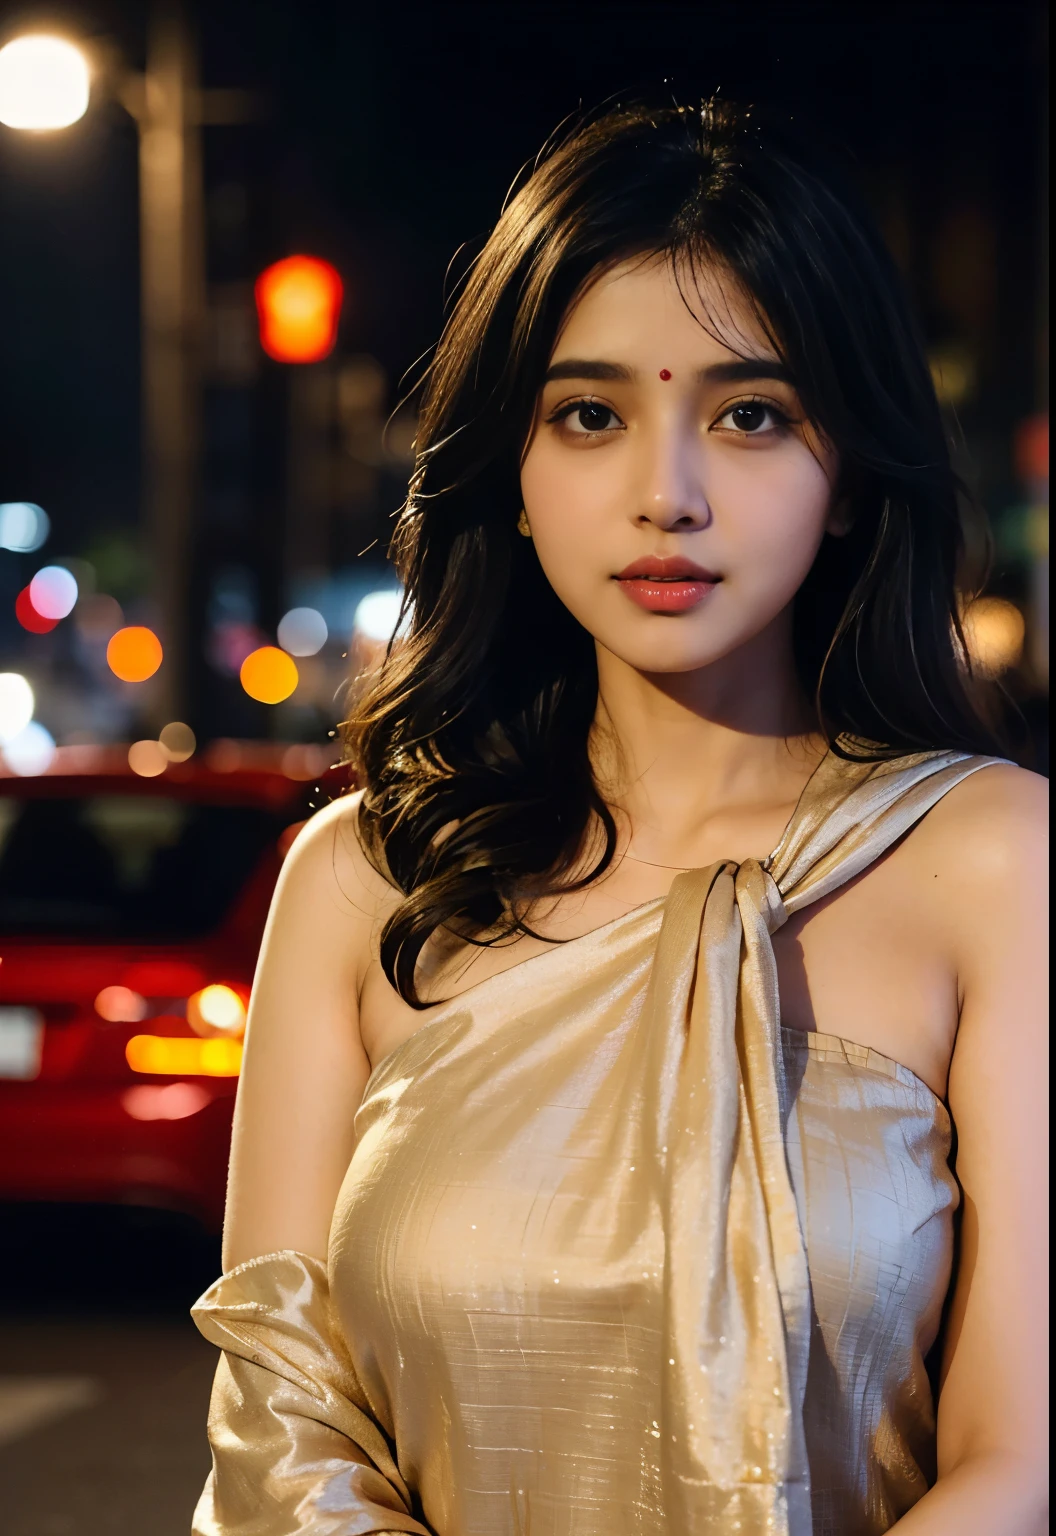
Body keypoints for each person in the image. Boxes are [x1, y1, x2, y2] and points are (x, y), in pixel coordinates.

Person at [190, 101, 1048, 1536]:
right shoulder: (362, 884)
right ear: (511, 479)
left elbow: (1017, 1461)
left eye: (751, 414)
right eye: (590, 415)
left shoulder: (989, 865)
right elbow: (281, 1429)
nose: (670, 495)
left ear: (846, 479)